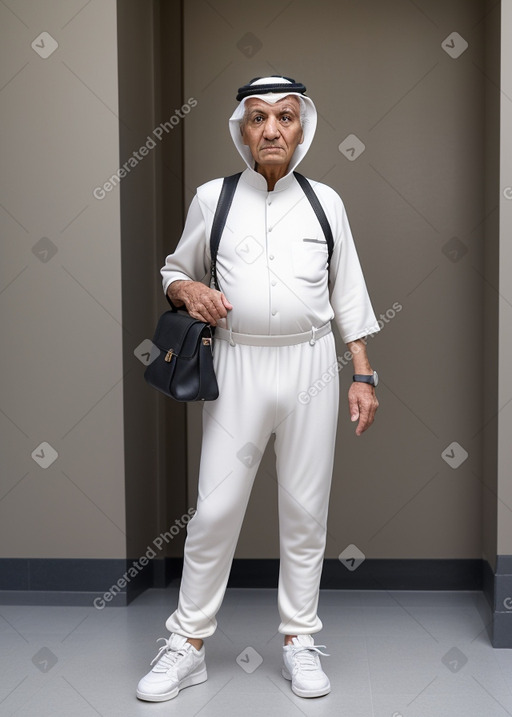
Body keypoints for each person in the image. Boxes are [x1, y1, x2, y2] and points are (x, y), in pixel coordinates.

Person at [137, 75, 380, 702]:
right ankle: (187, 644)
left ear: (304, 128)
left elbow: (346, 290)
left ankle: (300, 640)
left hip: (310, 367)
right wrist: (186, 290)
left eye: (285, 117)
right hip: (238, 366)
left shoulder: (326, 201)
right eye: (258, 119)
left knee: (305, 510)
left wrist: (362, 373)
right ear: (242, 130)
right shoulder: (211, 199)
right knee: (215, 509)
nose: (271, 130)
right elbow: (174, 270)